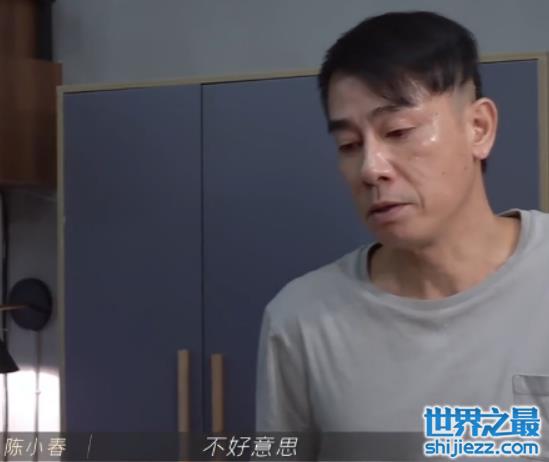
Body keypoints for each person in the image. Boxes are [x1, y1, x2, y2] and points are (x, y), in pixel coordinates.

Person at [255, 9, 549, 461]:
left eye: (398, 131)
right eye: (349, 145)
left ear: (479, 128)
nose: (370, 168)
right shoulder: (301, 322)